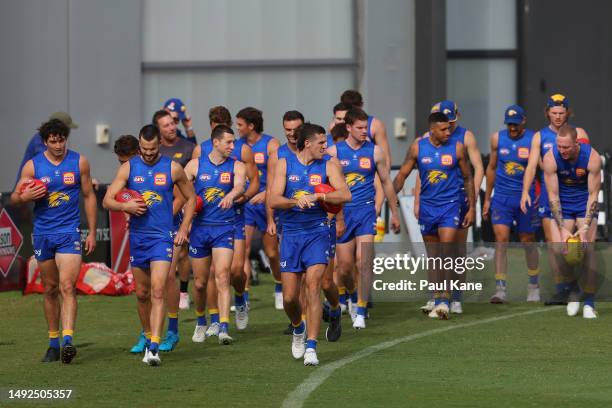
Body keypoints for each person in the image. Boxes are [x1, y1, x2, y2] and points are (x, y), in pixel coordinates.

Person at [103, 124, 196, 366]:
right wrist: (126, 207)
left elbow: (192, 197)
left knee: (158, 290)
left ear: (159, 146)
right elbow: (107, 200)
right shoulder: (129, 168)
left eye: (152, 149)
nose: (147, 153)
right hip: (138, 237)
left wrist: (184, 227)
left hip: (162, 238)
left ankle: (154, 346)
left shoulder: (172, 168)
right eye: (144, 149)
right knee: (142, 293)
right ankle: (146, 335)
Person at [12, 118, 97, 363]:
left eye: (61, 140)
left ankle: (68, 340)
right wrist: (24, 195)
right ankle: (53, 343)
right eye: (53, 141)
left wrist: (91, 231)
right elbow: (16, 197)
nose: (58, 145)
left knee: (67, 286)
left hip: (69, 232)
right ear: (45, 142)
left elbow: (89, 195)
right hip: (42, 234)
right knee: (49, 289)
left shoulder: (79, 161)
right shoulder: (33, 166)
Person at [269, 123, 351, 366]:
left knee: (314, 286)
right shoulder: (285, 164)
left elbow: (345, 194)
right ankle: (298, 327)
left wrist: (319, 196)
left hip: (318, 231)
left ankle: (312, 346)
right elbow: (273, 199)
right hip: (291, 235)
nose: (326, 147)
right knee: (290, 299)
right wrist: (296, 202)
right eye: (321, 143)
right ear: (307, 144)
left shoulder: (329, 164)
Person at [393, 112, 475, 319]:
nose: (449, 132)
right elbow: (402, 174)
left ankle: (445, 300)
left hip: (450, 206)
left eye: (449, 128)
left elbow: (468, 177)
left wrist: (472, 207)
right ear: (432, 130)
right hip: (428, 208)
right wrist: (389, 195)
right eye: (444, 129)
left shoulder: (457, 148)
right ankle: (437, 295)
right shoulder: (418, 147)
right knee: (434, 257)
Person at [327, 108, 401, 329]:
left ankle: (361, 309)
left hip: (366, 211)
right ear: (348, 127)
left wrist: (394, 213)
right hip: (343, 213)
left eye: (365, 127)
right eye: (359, 128)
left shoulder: (375, 152)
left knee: (364, 261)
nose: (364, 131)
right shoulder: (334, 152)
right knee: (345, 267)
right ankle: (350, 293)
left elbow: (386, 182)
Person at [191, 106, 260, 336]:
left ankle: (239, 300)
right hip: (203, 225)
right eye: (228, 142)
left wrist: (238, 197)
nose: (232, 146)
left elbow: (249, 183)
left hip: (232, 219)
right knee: (206, 278)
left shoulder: (242, 156)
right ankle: (212, 319)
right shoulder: (198, 155)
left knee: (235, 271)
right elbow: (184, 188)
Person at [414, 101, 484, 314]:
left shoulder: (466, 136)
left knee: (457, 251)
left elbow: (477, 168)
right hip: (435, 199)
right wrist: (418, 198)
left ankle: (456, 296)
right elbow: (422, 171)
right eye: (445, 123)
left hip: (460, 198)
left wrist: (473, 199)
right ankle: (436, 296)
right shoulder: (427, 139)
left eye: (452, 122)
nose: (449, 127)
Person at [520, 94, 590, 304]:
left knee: (580, 242)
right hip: (549, 196)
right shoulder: (539, 137)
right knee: (554, 244)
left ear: (567, 113)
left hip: (575, 196)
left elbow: (587, 161)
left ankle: (584, 285)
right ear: (547, 113)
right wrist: (525, 192)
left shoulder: (579, 133)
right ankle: (563, 288)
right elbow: (531, 166)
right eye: (554, 113)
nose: (558, 117)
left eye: (561, 113)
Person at [185, 125, 246, 344]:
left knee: (222, 276)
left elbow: (240, 186)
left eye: (234, 142)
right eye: (228, 142)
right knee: (200, 283)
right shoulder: (195, 165)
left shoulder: (237, 166)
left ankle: (223, 327)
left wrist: (231, 194)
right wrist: (186, 207)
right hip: (200, 229)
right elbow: (179, 189)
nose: (232, 146)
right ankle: (201, 321)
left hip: (224, 228)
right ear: (216, 142)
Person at [541, 124, 600, 318]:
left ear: (576, 143)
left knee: (587, 248)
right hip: (563, 205)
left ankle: (590, 302)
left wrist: (583, 228)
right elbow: (553, 196)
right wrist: (562, 228)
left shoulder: (592, 158)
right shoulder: (550, 158)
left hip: (584, 203)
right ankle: (574, 291)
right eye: (559, 146)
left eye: (566, 147)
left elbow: (593, 195)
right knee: (559, 249)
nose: (562, 151)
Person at [483, 105, 540, 303]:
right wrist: (487, 198)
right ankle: (500, 289)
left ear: (524, 121)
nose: (512, 128)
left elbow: (540, 169)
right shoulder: (497, 138)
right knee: (501, 240)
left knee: (527, 240)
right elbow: (491, 168)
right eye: (509, 124)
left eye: (515, 124)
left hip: (526, 198)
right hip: (502, 198)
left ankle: (534, 285)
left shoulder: (534, 139)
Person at [236, 107, 281, 307]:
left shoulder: (271, 144)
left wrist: (266, 195)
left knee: (271, 253)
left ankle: (280, 286)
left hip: (267, 204)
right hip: (246, 204)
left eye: (240, 124)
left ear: (251, 126)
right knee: (242, 250)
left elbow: (277, 176)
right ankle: (243, 296)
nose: (237, 128)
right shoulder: (237, 146)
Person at [15, 112, 78, 187]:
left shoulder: (42, 138)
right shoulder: (40, 141)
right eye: (67, 128)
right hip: (28, 188)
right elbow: (49, 165)